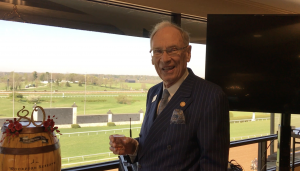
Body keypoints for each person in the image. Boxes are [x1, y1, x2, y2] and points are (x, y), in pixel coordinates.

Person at [109, 21, 229, 171]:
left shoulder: (210, 96)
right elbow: (156, 142)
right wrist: (134, 147)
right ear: (152, 57)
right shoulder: (153, 93)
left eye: (172, 50)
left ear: (188, 53)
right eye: (158, 51)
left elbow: (213, 166)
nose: (164, 59)